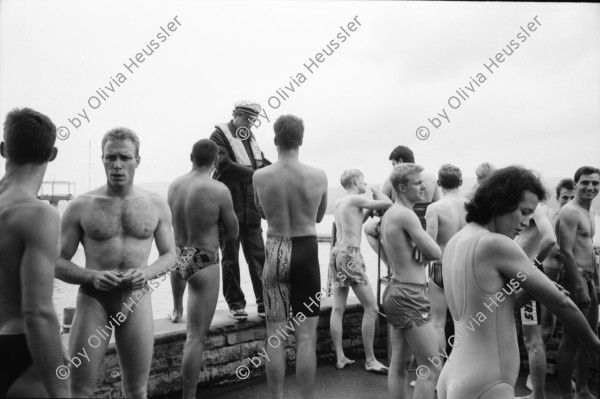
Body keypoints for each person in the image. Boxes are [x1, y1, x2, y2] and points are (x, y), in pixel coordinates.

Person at [437, 166, 600, 399]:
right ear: (500, 202)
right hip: (489, 379)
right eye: (523, 212)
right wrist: (594, 344)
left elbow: (488, 310)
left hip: (455, 373)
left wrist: (529, 292)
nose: (526, 222)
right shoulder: (496, 244)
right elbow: (562, 304)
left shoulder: (457, 241)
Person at [56, 127, 176, 398]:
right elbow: (57, 262)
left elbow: (171, 255)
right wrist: (90, 276)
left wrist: (147, 272)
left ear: (137, 160)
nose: (117, 165)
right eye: (110, 157)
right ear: (102, 159)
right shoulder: (81, 206)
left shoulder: (156, 204)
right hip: (93, 300)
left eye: (124, 157)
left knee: (136, 391)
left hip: (136, 298)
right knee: (80, 390)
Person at [253, 115, 328, 399]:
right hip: (306, 251)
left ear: (275, 140)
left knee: (275, 336)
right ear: (301, 140)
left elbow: (262, 211)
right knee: (306, 337)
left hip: (275, 250)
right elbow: (319, 215)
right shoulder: (318, 175)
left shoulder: (260, 175)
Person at [0, 108, 70, 398]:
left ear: (3, 149)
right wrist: (59, 388)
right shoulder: (39, 214)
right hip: (21, 350)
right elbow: (37, 313)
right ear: (52, 154)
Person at [168, 139, 239, 399]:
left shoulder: (174, 185)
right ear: (215, 162)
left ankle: (176, 309)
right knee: (195, 338)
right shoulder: (218, 189)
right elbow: (233, 232)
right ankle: (189, 396)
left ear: (191, 156)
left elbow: (173, 221)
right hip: (204, 258)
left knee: (179, 267)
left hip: (180, 254)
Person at [380, 163, 442, 399]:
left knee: (400, 363)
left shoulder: (390, 214)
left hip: (396, 289)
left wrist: (418, 243)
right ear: (403, 187)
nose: (424, 187)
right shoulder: (406, 215)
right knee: (431, 366)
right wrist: (422, 242)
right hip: (410, 294)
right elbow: (436, 253)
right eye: (417, 183)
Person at [207, 100, 271, 321]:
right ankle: (235, 304)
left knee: (258, 256)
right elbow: (222, 164)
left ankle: (264, 303)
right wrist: (255, 175)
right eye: (247, 118)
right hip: (229, 209)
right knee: (230, 257)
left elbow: (263, 164)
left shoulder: (250, 139)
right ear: (234, 114)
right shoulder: (218, 137)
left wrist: (281, 168)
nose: (251, 123)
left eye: (253, 120)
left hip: (251, 209)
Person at [329, 169, 392, 373]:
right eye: (364, 180)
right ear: (356, 181)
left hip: (337, 253)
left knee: (338, 308)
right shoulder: (356, 198)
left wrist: (367, 212)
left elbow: (358, 221)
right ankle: (371, 360)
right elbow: (388, 204)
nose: (365, 183)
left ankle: (340, 357)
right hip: (350, 255)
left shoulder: (341, 202)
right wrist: (376, 191)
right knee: (372, 309)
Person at [556, 166, 600, 399]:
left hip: (589, 276)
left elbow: (589, 249)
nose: (590, 187)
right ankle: (565, 393)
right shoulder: (570, 211)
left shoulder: (589, 211)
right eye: (585, 183)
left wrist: (596, 280)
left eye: (595, 183)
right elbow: (565, 251)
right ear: (575, 185)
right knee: (572, 339)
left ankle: (582, 389)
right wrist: (580, 285)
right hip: (575, 277)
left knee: (588, 337)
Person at [364, 146, 441, 266]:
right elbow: (438, 205)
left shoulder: (393, 179)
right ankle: (418, 267)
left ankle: (390, 264)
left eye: (394, 164)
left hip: (401, 228)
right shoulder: (431, 178)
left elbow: (380, 206)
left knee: (368, 229)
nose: (393, 168)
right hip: (424, 230)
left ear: (400, 162)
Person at [424, 164, 467, 364]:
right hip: (464, 268)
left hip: (441, 268)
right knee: (464, 324)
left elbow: (429, 242)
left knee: (437, 323)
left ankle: (439, 371)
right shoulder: (471, 206)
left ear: (439, 183)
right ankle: (460, 370)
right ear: (461, 182)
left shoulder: (434, 208)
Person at [515, 200, 556, 399]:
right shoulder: (518, 208)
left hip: (524, 272)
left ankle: (538, 395)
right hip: (518, 272)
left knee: (531, 338)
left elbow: (549, 240)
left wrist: (530, 269)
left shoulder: (537, 208)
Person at [540, 178, 576, 343]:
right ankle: (539, 365)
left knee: (572, 328)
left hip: (570, 276)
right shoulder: (550, 217)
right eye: (565, 198)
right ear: (557, 198)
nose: (568, 202)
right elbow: (554, 246)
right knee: (548, 327)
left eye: (572, 198)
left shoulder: (582, 216)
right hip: (550, 274)